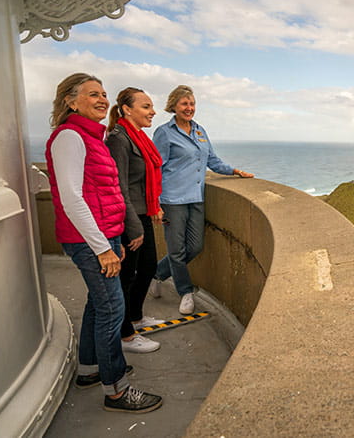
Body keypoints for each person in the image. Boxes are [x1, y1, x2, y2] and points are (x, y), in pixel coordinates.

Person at [45, 73, 162, 413]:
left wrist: (113, 238)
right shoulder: (69, 137)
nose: (102, 100)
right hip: (89, 240)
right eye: (92, 94)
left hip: (101, 236)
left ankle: (89, 369)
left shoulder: (90, 137)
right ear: (70, 101)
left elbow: (102, 193)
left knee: (98, 305)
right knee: (113, 309)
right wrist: (101, 247)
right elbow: (72, 198)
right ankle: (116, 390)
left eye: (103, 94)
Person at [152, 85, 253, 315]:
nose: (189, 108)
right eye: (184, 104)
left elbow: (213, 161)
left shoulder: (199, 131)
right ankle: (185, 292)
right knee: (177, 250)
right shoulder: (165, 133)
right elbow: (156, 168)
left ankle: (157, 273)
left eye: (192, 104)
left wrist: (235, 171)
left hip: (196, 197)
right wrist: (155, 202)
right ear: (174, 106)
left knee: (195, 246)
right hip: (172, 199)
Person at [106, 87, 165, 354]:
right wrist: (133, 226)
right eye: (146, 106)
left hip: (143, 212)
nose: (152, 111)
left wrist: (155, 207)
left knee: (149, 265)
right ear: (127, 109)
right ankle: (126, 335)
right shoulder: (119, 139)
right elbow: (120, 186)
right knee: (127, 274)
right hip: (129, 216)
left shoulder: (139, 137)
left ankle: (136, 316)